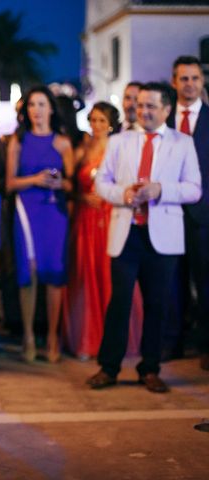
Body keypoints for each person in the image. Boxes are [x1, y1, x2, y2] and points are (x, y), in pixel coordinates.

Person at [87, 82, 201, 394]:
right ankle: (108, 367)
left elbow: (194, 189)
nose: (145, 111)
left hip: (163, 235)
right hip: (127, 232)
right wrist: (122, 194)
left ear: (166, 109)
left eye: (151, 106)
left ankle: (150, 368)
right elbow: (102, 184)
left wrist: (161, 190)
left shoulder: (182, 143)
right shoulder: (120, 141)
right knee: (120, 302)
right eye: (140, 105)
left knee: (157, 304)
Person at [62, 102, 143, 360]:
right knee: (86, 275)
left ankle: (116, 340)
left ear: (111, 123)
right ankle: (88, 338)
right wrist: (82, 198)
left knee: (110, 276)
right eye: (93, 120)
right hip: (86, 218)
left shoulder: (118, 147)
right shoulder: (82, 149)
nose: (96, 125)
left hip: (111, 217)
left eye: (101, 120)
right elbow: (70, 182)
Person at [6, 85, 74, 363]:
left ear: (51, 108)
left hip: (54, 213)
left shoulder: (63, 143)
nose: (36, 110)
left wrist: (59, 183)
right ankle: (29, 336)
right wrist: (34, 180)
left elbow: (72, 183)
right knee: (28, 272)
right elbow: (9, 183)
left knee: (54, 273)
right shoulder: (18, 141)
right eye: (32, 105)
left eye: (41, 104)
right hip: (26, 211)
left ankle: (53, 337)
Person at [166, 56, 209, 370]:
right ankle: (173, 343)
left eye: (195, 78)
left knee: (205, 282)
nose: (190, 84)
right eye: (184, 78)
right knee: (171, 282)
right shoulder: (163, 122)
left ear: (202, 82)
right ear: (174, 82)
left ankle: (206, 346)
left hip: (203, 217)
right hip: (166, 215)